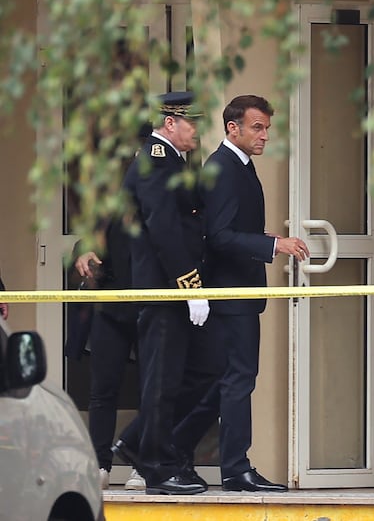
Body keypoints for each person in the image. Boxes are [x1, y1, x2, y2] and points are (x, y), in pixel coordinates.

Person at [171, 94, 309, 492]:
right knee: (238, 380)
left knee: (225, 382)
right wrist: (274, 247)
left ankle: (173, 450)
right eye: (257, 127)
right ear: (233, 128)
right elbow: (219, 236)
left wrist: (265, 238)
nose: (265, 135)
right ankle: (234, 468)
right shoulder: (224, 168)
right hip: (230, 293)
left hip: (237, 292)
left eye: (267, 127)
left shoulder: (239, 165)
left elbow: (230, 227)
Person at [119, 91, 221, 495]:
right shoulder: (156, 161)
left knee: (200, 370)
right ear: (169, 123)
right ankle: (156, 469)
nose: (197, 130)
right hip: (164, 289)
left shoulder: (171, 160)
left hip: (172, 287)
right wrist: (190, 285)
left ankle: (134, 443)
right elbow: (164, 229)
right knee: (162, 380)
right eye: (191, 122)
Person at [72, 227, 145, 491]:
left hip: (153, 303)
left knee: (151, 390)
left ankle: (143, 464)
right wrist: (83, 251)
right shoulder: (112, 198)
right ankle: (100, 466)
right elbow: (87, 237)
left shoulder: (162, 195)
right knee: (102, 389)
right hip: (109, 302)